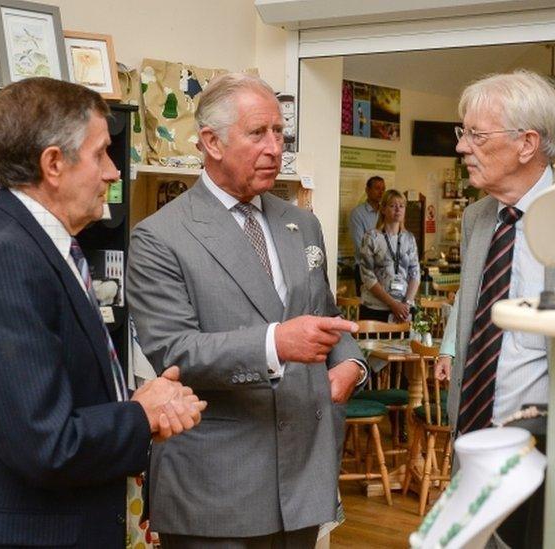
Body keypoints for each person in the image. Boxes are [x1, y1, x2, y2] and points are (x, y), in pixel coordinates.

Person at [0, 78, 206, 548]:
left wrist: (139, 401)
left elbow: (50, 387)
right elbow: (45, 443)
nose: (113, 172)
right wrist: (140, 415)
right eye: (101, 154)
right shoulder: (1, 257)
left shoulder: (35, 245)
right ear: (53, 163)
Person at [126, 73, 369, 548]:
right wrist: (276, 343)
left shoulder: (302, 224)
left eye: (280, 133)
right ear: (211, 142)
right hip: (216, 485)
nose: (275, 148)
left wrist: (350, 363)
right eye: (258, 133)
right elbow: (174, 351)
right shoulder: (161, 237)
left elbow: (323, 314)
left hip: (302, 476)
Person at [434, 69, 555, 549]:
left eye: (475, 135)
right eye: (462, 132)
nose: (462, 147)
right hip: (470, 443)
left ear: (527, 144)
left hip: (547, 455)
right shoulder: (476, 218)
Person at [358, 189, 421, 322]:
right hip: (376, 308)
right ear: (383, 209)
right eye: (393, 206)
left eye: (401, 206)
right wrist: (393, 304)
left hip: (404, 309)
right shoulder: (371, 237)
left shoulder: (409, 238)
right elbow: (368, 277)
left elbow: (415, 274)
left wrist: (407, 304)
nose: (398, 209)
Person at [348, 175, 385, 293]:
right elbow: (360, 246)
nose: (381, 192)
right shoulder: (357, 214)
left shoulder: (385, 212)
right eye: (377, 188)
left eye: (383, 189)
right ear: (367, 190)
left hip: (384, 269)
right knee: (366, 306)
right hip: (365, 269)